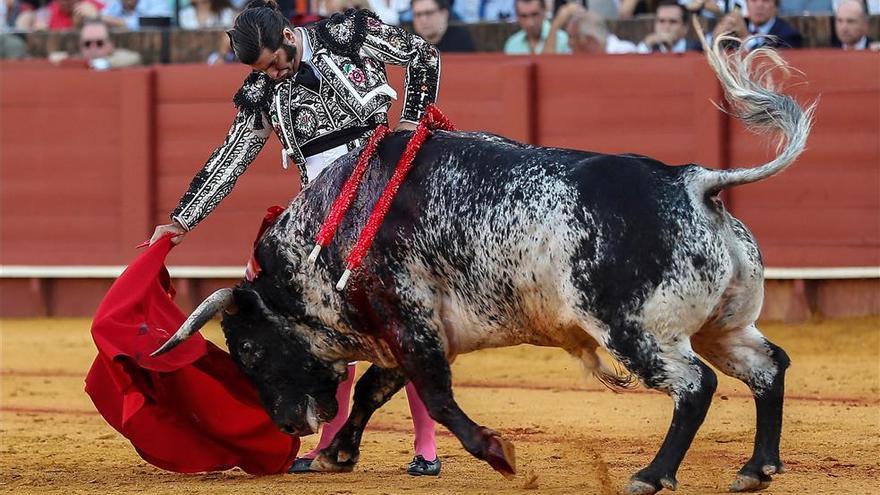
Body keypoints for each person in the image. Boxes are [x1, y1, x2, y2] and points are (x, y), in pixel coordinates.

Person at [148, 0, 443, 477]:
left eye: (274, 64)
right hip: (322, 218)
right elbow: (230, 159)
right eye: (263, 71)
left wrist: (410, 120)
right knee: (330, 329)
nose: (275, 76)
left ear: (288, 36)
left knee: (407, 322)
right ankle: (331, 443)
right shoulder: (261, 92)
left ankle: (427, 446)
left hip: (384, 200)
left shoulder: (347, 34)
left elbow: (422, 57)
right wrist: (182, 221)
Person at [543, 3, 637, 54]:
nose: (569, 43)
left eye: (572, 37)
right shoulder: (574, 55)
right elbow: (546, 65)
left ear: (590, 40)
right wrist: (556, 25)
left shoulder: (624, 52)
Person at [49, 19, 142, 68]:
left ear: (110, 45)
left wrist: (107, 63)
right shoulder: (77, 58)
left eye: (99, 43)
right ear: (80, 46)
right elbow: (53, 57)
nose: (93, 47)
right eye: (87, 44)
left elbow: (135, 57)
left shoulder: (117, 58)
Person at [711, 0, 803, 49]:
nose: (759, 5)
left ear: (775, 7)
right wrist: (715, 38)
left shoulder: (789, 36)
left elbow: (767, 66)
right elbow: (698, 50)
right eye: (754, 0)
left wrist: (746, 37)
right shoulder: (736, 27)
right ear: (746, 5)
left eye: (766, 0)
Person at [504, 0, 568, 55]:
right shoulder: (512, 44)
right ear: (517, 16)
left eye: (535, 14)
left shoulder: (564, 40)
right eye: (524, 16)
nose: (530, 23)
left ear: (544, 10)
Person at [637, 0, 702, 53]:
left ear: (685, 27)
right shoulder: (649, 47)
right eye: (661, 21)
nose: (666, 27)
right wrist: (647, 44)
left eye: (673, 22)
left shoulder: (698, 49)